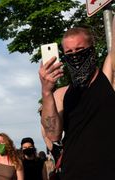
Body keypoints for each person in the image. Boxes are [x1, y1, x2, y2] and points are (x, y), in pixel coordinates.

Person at [39, 22, 115, 179]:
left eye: (80, 50)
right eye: (69, 52)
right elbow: (53, 135)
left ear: (92, 49)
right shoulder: (61, 94)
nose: (75, 55)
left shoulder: (108, 77)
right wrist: (46, 91)